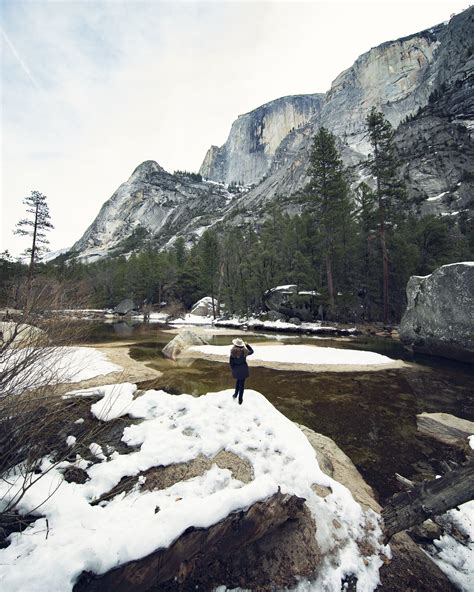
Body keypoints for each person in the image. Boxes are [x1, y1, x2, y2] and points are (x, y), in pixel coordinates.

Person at [229, 338, 254, 405]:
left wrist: (233, 369)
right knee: (241, 384)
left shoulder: (232, 352)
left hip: (236, 369)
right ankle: (240, 399)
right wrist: (247, 345)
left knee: (238, 381)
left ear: (235, 344)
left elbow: (231, 363)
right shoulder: (245, 351)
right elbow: (252, 351)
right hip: (243, 368)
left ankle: (235, 394)